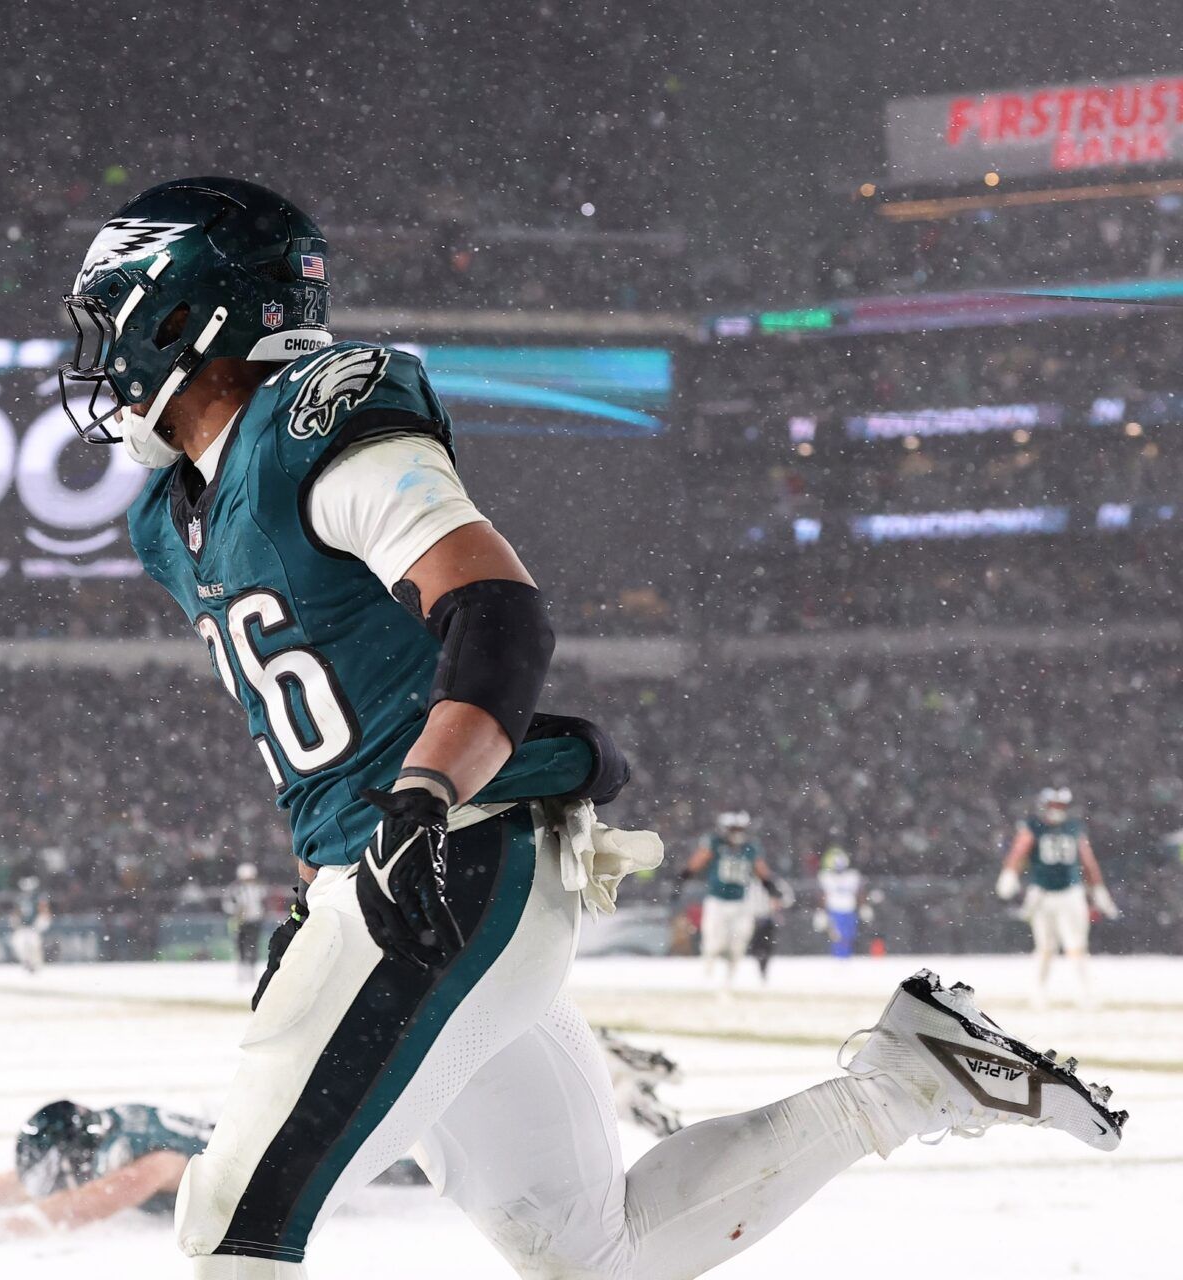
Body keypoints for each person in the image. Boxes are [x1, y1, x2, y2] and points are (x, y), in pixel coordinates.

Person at [60, 177, 1125, 1278]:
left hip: (449, 854)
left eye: (111, 322)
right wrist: (332, 865)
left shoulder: (310, 422)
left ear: (188, 315)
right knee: (591, 1248)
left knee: (232, 1219)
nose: (99, 358)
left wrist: (419, 805)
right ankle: (904, 1081)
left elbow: (494, 609)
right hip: (406, 864)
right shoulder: (173, 511)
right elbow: (335, 713)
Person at [0, 1002, 684, 1237]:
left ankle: (601, 1082)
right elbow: (25, 1177)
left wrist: (33, 1224)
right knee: (419, 1098)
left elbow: (147, 1178)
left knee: (438, 1143)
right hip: (288, 1124)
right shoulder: (106, 1125)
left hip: (319, 1158)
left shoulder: (130, 1153)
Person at [997, 788, 1119, 1007]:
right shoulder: (1034, 826)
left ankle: (1085, 993)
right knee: (1045, 947)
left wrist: (1098, 889)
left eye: (1060, 806)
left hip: (1070, 892)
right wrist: (1009, 872)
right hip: (1042, 893)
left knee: (1077, 946)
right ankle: (1038, 993)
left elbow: (1087, 861)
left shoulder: (1073, 828)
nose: (1056, 810)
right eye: (1053, 805)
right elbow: (1019, 852)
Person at [676, 812, 780, 993]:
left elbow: (761, 871)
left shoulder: (750, 847)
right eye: (733, 829)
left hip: (740, 902)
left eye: (740, 829)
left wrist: (771, 888)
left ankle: (729, 981)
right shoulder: (715, 844)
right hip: (717, 900)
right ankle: (707, 975)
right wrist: (682, 878)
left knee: (739, 943)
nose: (737, 833)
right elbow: (697, 862)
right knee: (714, 942)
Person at [223, 862, 269, 980]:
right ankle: (242, 970)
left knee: (254, 945)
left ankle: (252, 969)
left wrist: (261, 913)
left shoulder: (259, 888)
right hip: (240, 922)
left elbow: (264, 903)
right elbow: (227, 904)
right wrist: (236, 911)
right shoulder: (234, 889)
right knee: (241, 946)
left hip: (255, 920)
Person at [815, 847, 864, 959]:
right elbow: (822, 895)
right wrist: (821, 911)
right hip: (835, 910)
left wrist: (863, 906)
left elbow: (859, 892)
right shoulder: (826, 877)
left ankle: (847, 958)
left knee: (849, 936)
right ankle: (838, 959)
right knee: (837, 937)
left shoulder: (852, 876)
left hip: (849, 909)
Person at [9, 875, 52, 974]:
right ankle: (27, 962)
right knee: (18, 943)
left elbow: (44, 910)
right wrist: (15, 920)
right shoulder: (20, 897)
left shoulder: (38, 897)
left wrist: (42, 921)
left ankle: (35, 964)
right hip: (23, 926)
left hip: (33, 926)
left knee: (34, 945)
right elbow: (17, 911)